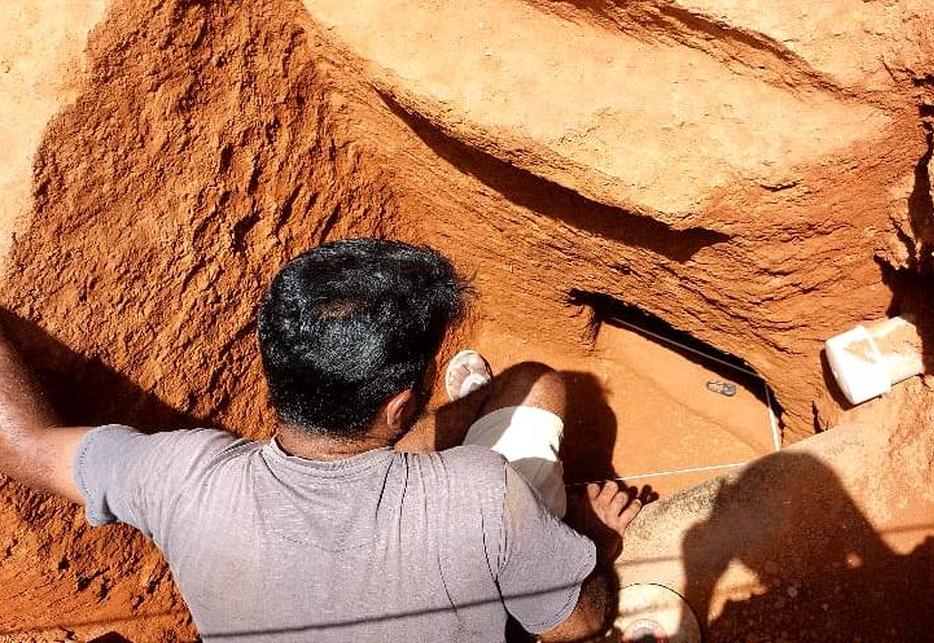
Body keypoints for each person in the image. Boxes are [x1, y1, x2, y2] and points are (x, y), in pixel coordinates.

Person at [0, 238, 642, 641]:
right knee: (535, 385)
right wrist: (596, 545)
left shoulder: (178, 474)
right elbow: (575, 626)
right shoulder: (481, 494)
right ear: (400, 405)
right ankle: (469, 418)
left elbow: (23, 445)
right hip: (473, 517)